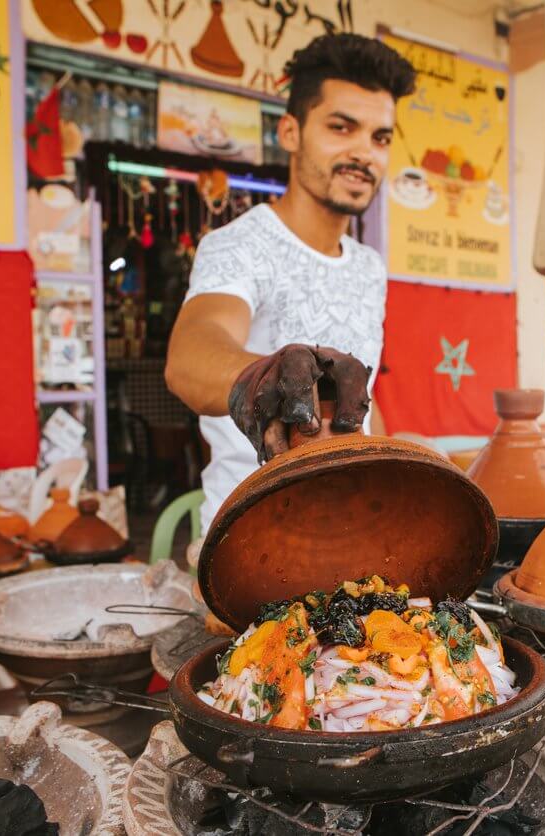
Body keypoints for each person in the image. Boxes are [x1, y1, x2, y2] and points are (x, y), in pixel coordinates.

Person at [164, 33, 416, 549]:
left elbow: (363, 404)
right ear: (291, 131)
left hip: (349, 534)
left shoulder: (369, 268)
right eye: (341, 127)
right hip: (251, 541)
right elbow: (189, 356)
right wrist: (265, 376)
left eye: (380, 138)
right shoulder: (240, 246)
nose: (363, 153)